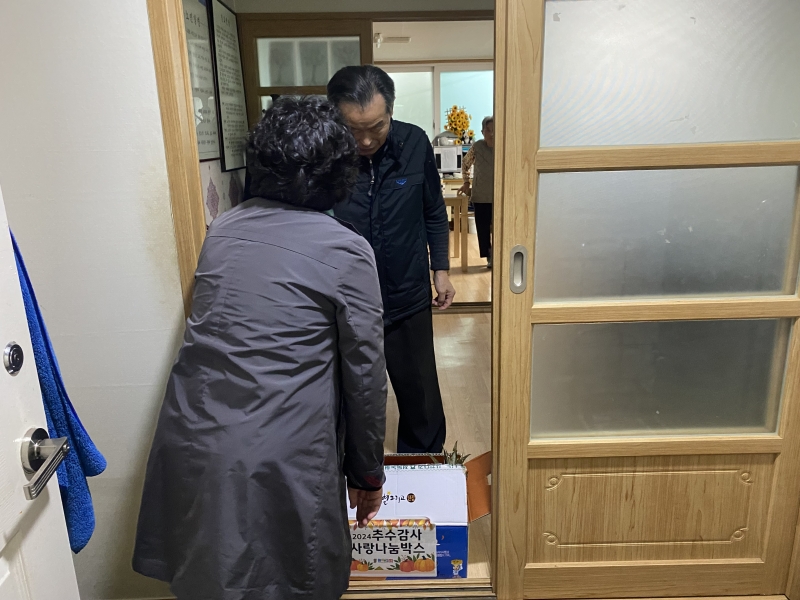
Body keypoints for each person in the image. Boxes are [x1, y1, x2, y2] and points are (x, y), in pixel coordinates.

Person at [132, 97, 387, 600]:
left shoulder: (224, 229)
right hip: (281, 448)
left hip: (191, 435)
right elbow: (365, 376)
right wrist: (366, 471)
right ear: (340, 171)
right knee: (290, 577)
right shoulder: (347, 250)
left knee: (211, 573)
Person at [327, 65, 454, 454]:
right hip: (345, 300)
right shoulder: (325, 153)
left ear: (392, 112)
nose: (365, 140)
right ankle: (349, 477)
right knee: (346, 397)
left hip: (407, 294)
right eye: (354, 129)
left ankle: (423, 468)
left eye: (376, 127)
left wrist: (441, 271)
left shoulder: (414, 143)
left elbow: (433, 211)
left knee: (421, 398)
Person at [459, 116, 495, 268]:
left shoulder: (503, 146)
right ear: (482, 131)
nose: (491, 134)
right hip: (481, 195)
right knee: (483, 229)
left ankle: (499, 255)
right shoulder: (477, 146)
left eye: (494, 130)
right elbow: (465, 164)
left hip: (499, 196)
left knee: (500, 228)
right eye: (488, 130)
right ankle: (489, 256)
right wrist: (466, 182)